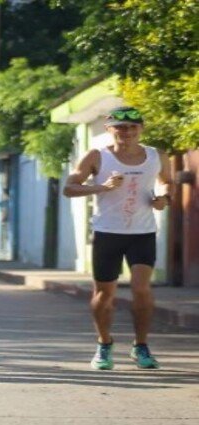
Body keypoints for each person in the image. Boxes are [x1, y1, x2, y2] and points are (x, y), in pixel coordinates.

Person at [63, 106, 171, 370]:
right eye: (120, 127)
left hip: (142, 233)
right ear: (109, 130)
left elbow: (167, 181)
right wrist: (102, 187)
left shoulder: (156, 155)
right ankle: (104, 344)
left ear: (141, 129)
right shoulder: (97, 156)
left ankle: (141, 346)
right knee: (104, 294)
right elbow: (69, 187)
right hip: (108, 233)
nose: (127, 132)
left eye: (133, 127)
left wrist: (163, 199)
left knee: (141, 289)